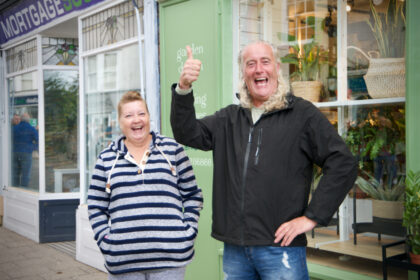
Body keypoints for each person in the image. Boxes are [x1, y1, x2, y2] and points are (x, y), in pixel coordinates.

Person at [170, 41, 358, 280]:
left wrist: (312, 217)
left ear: (277, 68)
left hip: (280, 250)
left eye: (265, 62)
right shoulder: (229, 118)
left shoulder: (302, 115)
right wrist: (184, 88)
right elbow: (187, 133)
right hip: (235, 249)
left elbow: (343, 162)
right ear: (243, 73)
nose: (259, 69)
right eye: (251, 64)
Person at [88, 91, 203, 279]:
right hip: (123, 261)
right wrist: (106, 241)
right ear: (119, 121)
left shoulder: (173, 150)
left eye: (141, 113)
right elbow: (95, 206)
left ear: (149, 117)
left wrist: (187, 233)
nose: (136, 120)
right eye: (129, 115)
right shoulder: (107, 159)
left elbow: (192, 195)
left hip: (170, 260)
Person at [12, 112, 38, 187]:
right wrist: (34, 148)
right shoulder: (31, 129)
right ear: (28, 120)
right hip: (27, 153)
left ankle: (15, 188)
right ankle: (24, 190)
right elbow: (38, 139)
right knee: (25, 174)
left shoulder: (14, 128)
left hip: (15, 152)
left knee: (15, 173)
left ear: (20, 119)